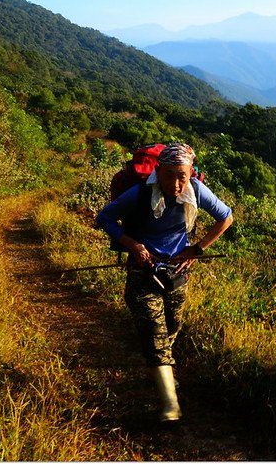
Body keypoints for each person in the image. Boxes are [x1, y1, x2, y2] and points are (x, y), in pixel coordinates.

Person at [95, 143, 233, 422]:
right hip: (142, 272)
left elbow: (225, 217)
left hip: (176, 274)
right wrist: (133, 245)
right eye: (169, 175)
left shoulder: (195, 190)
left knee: (172, 326)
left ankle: (161, 372)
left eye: (182, 175)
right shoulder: (141, 192)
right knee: (154, 332)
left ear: (190, 173)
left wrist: (198, 248)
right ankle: (171, 405)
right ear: (159, 172)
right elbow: (104, 218)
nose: (176, 183)